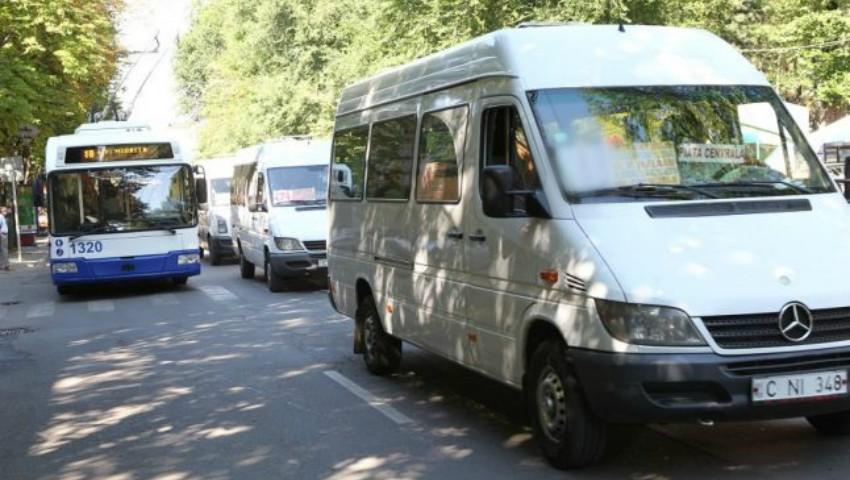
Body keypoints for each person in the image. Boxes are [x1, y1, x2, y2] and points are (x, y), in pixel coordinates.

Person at [0, 205, 9, 271]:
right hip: (2, 235)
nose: (6, 212)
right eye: (4, 211)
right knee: (4, 250)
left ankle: (3, 265)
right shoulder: (0, 217)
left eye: (6, 210)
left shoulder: (2, 217)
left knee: (3, 250)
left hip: (3, 234)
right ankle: (6, 265)